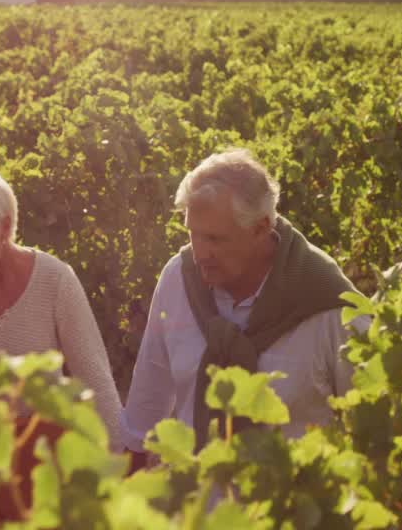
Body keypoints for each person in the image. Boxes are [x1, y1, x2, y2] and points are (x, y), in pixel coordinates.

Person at [121, 149, 371, 456]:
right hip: (195, 500)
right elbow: (147, 404)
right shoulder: (178, 279)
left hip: (294, 500)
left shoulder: (328, 306)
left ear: (261, 228)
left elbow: (372, 434)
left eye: (215, 239)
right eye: (192, 234)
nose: (200, 253)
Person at [0, 167, 124, 448]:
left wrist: (118, 460)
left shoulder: (55, 280)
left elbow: (95, 379)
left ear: (4, 226)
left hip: (37, 450)